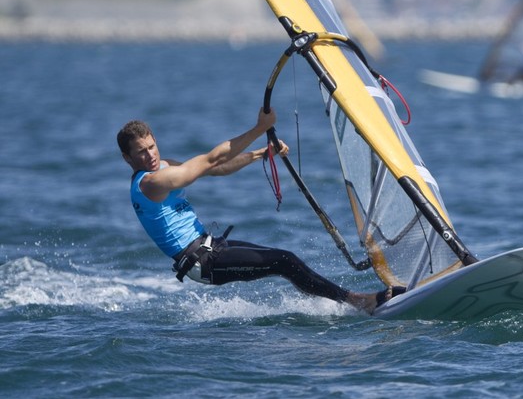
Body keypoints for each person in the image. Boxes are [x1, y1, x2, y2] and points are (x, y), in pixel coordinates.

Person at [116, 107, 402, 314]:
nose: (150, 155)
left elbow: (217, 167)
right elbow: (211, 157)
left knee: (284, 261)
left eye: (152, 147)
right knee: (285, 260)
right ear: (127, 157)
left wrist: (258, 155)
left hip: (209, 246)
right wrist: (259, 129)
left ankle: (343, 301)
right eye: (141, 152)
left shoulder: (163, 166)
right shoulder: (151, 183)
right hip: (202, 263)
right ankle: (358, 301)